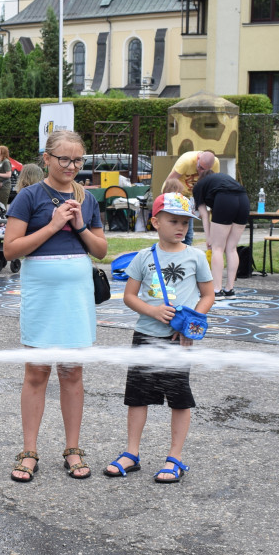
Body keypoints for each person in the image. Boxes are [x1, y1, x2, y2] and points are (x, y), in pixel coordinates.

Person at [3, 130, 107, 483]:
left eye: (78, 160)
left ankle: (73, 449)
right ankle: (29, 450)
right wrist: (52, 225)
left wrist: (78, 225)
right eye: (64, 159)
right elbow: (10, 249)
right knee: (37, 373)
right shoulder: (28, 197)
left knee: (72, 372)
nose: (71, 166)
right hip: (42, 296)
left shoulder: (87, 199)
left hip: (76, 298)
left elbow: (101, 250)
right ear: (46, 158)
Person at [105, 192, 214, 483]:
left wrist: (192, 323)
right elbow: (129, 296)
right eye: (173, 221)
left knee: (179, 398)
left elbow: (208, 295)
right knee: (137, 397)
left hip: (178, 341)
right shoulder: (143, 257)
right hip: (145, 335)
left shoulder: (195, 256)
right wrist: (152, 312)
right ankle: (131, 453)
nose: (181, 227)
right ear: (155, 221)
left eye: (185, 222)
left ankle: (174, 457)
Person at [192, 168, 249, 299]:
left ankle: (217, 290)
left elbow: (204, 215)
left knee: (217, 247)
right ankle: (230, 289)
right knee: (231, 247)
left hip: (226, 199)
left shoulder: (199, 187)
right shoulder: (221, 180)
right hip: (243, 199)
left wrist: (209, 238)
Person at [165, 150, 219, 245]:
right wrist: (168, 201)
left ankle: (187, 253)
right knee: (182, 229)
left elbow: (212, 186)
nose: (201, 172)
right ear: (198, 159)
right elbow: (169, 182)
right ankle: (177, 251)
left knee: (189, 233)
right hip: (178, 194)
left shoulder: (215, 163)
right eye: (200, 168)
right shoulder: (186, 161)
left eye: (205, 170)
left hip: (193, 195)